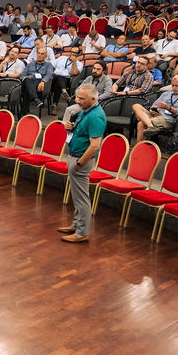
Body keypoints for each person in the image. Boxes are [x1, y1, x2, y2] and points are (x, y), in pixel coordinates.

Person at [58, 83, 106, 244]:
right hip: (75, 156)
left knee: (81, 198)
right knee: (77, 196)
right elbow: (83, 132)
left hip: (81, 160)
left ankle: (82, 232)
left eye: (81, 98)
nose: (77, 101)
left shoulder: (96, 116)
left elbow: (95, 146)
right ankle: (77, 224)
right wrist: (72, 127)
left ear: (93, 99)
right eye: (77, 97)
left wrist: (79, 163)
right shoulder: (86, 110)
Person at [133, 75, 178, 141]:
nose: (174, 88)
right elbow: (154, 105)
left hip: (167, 119)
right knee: (136, 106)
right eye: (172, 85)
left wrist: (168, 107)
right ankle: (150, 126)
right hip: (156, 115)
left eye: (177, 86)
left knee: (141, 123)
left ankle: (139, 145)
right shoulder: (166, 94)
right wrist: (153, 110)